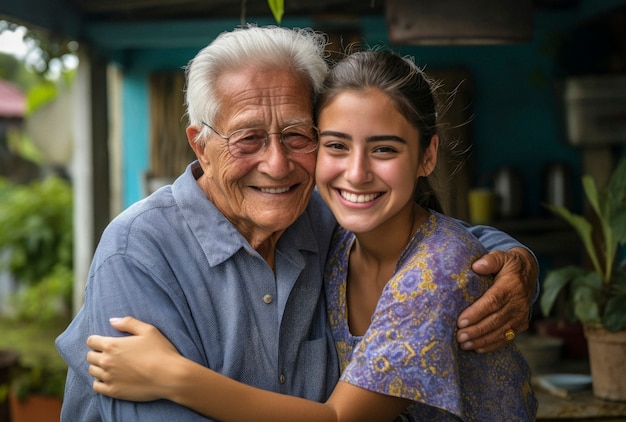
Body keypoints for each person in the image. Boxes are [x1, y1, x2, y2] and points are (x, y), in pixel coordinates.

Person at [57, 25, 537, 422]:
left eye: (295, 134)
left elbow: (442, 248)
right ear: (200, 145)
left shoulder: (324, 215)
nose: (278, 163)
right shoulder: (140, 250)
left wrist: (518, 261)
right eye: (247, 138)